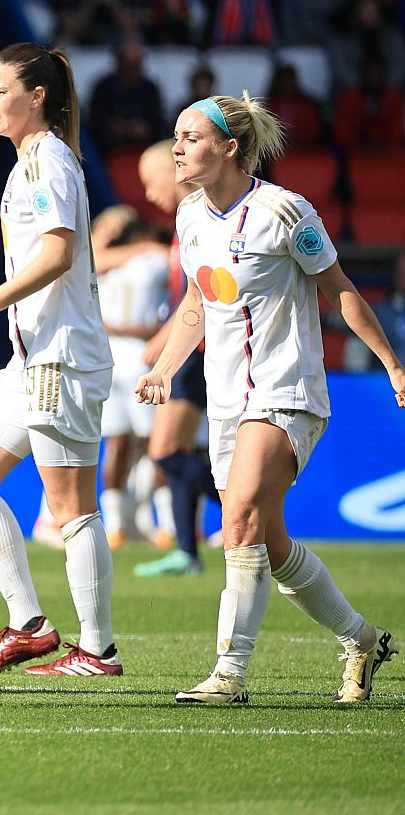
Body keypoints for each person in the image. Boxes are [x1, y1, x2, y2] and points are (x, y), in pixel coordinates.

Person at [137, 93, 405, 704]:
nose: (177, 147)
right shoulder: (189, 218)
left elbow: (339, 290)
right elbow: (197, 305)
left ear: (230, 148)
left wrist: (393, 364)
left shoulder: (284, 211)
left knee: (237, 524)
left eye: (191, 137)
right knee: (268, 544)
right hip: (227, 399)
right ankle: (362, 639)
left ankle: (229, 674)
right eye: (176, 135)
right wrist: (163, 368)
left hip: (287, 390)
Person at [0, 42, 121, 678]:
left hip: (60, 358)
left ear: (37, 96)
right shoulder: (29, 163)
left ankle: (98, 650)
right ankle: (31, 625)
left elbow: (59, 252)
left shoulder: (48, 158)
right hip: (30, 361)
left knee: (71, 506)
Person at [132, 140, 214, 577]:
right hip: (190, 350)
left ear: (172, 172)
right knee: (174, 450)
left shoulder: (202, 217)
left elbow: (198, 293)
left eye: (150, 181)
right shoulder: (185, 221)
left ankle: (246, 504)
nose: (147, 193)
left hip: (195, 351)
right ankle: (188, 551)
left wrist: (166, 337)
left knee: (164, 452)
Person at [90, 206, 169, 547]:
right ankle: (168, 524)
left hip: (107, 361)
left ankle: (115, 527)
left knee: (116, 445)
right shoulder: (154, 261)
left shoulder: (102, 268)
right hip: (142, 361)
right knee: (158, 445)